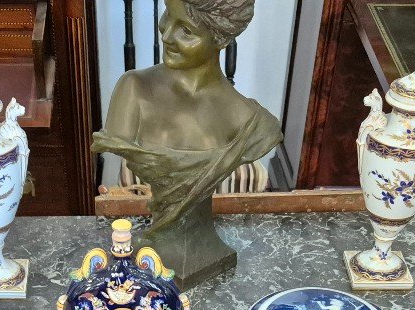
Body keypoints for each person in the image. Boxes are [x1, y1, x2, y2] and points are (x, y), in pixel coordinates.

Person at [92, 0, 281, 284]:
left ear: (220, 37)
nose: (167, 35)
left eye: (186, 31)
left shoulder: (251, 121)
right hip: (150, 259)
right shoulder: (134, 89)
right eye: (168, 16)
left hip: (206, 253)